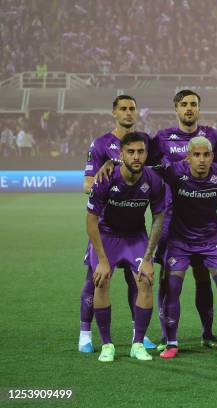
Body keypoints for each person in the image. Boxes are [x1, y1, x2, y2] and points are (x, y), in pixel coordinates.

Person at [148, 89, 217, 350]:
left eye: (193, 104)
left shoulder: (212, 137)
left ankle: (208, 333)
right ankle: (166, 335)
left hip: (202, 219)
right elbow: (141, 162)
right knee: (167, 277)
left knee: (203, 274)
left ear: (199, 109)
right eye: (184, 104)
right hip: (169, 219)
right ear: (176, 108)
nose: (189, 108)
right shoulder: (161, 138)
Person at [79, 95, 156, 352]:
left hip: (134, 226)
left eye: (132, 108)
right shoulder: (100, 144)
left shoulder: (144, 142)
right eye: (123, 109)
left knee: (138, 281)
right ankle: (85, 334)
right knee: (96, 279)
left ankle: (139, 335)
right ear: (114, 112)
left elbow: (151, 170)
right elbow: (87, 184)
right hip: (106, 226)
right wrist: (109, 178)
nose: (128, 112)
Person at [155, 136, 217, 359]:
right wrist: (110, 164)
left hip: (211, 240)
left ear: (212, 157)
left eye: (206, 155)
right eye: (196, 155)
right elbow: (142, 168)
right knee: (172, 289)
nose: (201, 160)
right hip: (179, 241)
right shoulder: (174, 172)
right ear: (188, 157)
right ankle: (171, 342)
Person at [85, 132, 164, 362]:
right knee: (101, 281)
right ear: (121, 154)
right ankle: (107, 345)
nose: (136, 156)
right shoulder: (105, 179)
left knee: (146, 281)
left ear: (146, 154)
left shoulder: (153, 180)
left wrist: (148, 258)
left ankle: (137, 343)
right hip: (107, 236)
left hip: (135, 237)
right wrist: (101, 259)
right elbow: (91, 221)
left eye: (140, 151)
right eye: (131, 152)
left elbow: (158, 217)